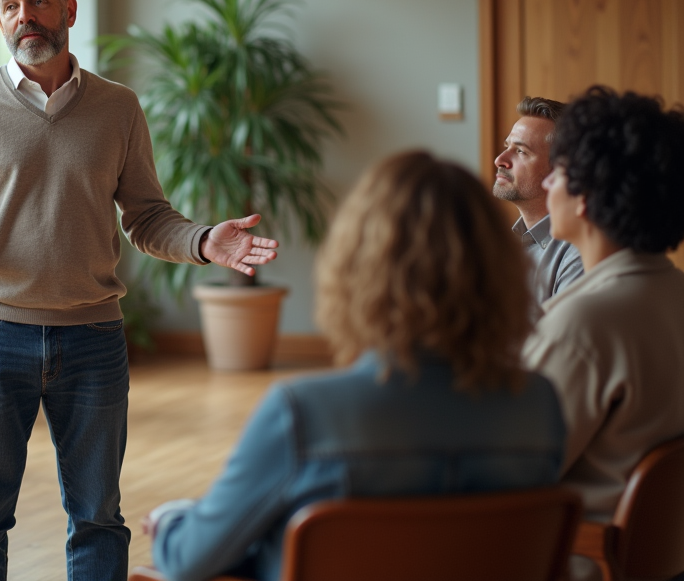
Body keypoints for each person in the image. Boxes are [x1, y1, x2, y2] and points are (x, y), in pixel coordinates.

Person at [0, 0, 279, 581]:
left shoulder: (118, 107)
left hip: (92, 337)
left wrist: (204, 242)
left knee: (97, 518)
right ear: (0, 20)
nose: (24, 15)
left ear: (69, 11)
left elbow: (147, 216)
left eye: (37, 0)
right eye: (10, 5)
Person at [145, 152, 565, 581]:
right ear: (499, 268)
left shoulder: (301, 413)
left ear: (358, 267)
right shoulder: (537, 405)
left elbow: (188, 560)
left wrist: (170, 520)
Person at [523, 87, 684, 523]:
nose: (548, 184)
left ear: (585, 196)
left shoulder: (584, 325)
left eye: (558, 171)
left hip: (579, 548)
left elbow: (513, 469)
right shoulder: (673, 291)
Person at [493, 96, 583, 305]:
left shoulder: (578, 256)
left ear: (561, 169)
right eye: (507, 146)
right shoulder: (503, 244)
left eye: (521, 151)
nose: (500, 160)